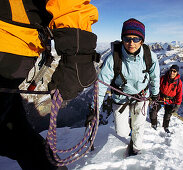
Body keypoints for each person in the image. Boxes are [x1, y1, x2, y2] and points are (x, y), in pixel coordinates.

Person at [0, 0, 99, 169]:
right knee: (14, 131)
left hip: (10, 39)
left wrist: (78, 53)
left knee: (14, 130)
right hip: (14, 43)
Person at [93, 18, 160, 156]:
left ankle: (136, 148)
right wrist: (94, 108)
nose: (131, 43)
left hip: (142, 97)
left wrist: (155, 94)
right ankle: (129, 129)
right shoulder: (113, 59)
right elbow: (101, 84)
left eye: (136, 39)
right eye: (127, 38)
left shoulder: (149, 57)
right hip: (121, 98)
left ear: (142, 40)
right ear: (122, 39)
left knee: (139, 127)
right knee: (122, 132)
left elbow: (154, 77)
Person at [150, 64, 183, 133]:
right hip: (160, 98)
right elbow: (156, 87)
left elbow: (179, 94)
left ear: (177, 73)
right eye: (171, 70)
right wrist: (154, 95)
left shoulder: (178, 82)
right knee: (153, 111)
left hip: (170, 101)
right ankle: (154, 124)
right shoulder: (163, 78)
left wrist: (177, 105)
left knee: (168, 115)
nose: (172, 73)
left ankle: (165, 127)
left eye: (174, 71)